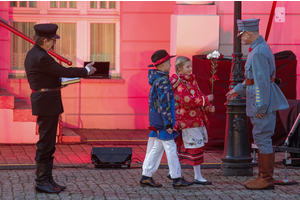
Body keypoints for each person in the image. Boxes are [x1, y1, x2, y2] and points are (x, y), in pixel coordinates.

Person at [24, 23, 96, 193]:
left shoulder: (34, 54)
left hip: (46, 100)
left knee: (48, 142)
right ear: (45, 40)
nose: (53, 44)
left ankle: (47, 179)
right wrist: (85, 70)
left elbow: (49, 77)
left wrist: (60, 82)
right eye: (52, 41)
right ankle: (42, 180)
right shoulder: (42, 56)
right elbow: (63, 71)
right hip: (46, 102)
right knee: (46, 143)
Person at [226, 18, 289, 190]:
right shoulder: (259, 49)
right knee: (261, 138)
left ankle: (266, 179)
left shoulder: (259, 51)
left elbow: (261, 83)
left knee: (263, 138)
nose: (241, 38)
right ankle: (263, 177)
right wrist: (237, 90)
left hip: (261, 104)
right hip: (259, 101)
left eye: (241, 35)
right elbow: (253, 79)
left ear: (248, 33)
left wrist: (260, 107)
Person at [140, 49, 193, 189]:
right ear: (162, 64)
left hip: (158, 120)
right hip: (163, 121)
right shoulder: (163, 80)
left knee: (158, 147)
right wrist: (169, 123)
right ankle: (176, 178)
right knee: (170, 147)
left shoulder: (157, 79)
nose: (170, 65)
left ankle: (146, 175)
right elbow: (164, 104)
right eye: (169, 62)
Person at [170, 56, 215, 185]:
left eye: (190, 66)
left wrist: (206, 107)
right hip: (187, 120)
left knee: (190, 146)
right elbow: (186, 100)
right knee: (194, 147)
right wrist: (206, 100)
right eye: (187, 67)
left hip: (194, 119)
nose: (190, 69)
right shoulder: (178, 82)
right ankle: (197, 176)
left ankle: (175, 172)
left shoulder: (191, 80)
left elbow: (198, 94)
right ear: (179, 68)